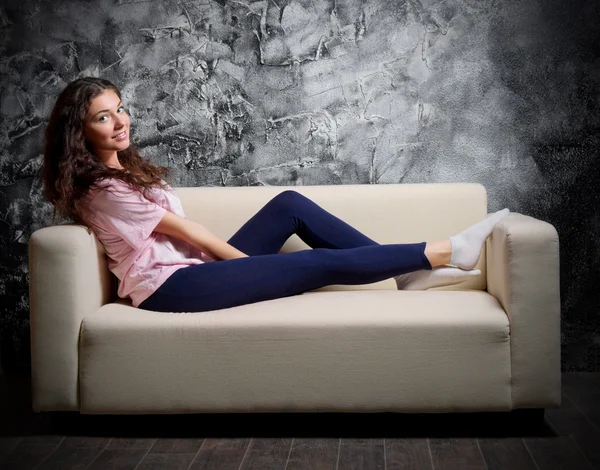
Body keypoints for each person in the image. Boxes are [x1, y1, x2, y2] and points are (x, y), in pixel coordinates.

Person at [42, 77, 510, 313]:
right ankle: (449, 250)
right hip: (168, 287)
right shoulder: (100, 189)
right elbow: (190, 231)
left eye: (120, 109)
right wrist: (249, 268)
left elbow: (190, 240)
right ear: (78, 130)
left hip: (193, 267)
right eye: (103, 117)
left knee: (289, 204)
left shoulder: (126, 170)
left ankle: (405, 272)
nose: (121, 121)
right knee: (309, 265)